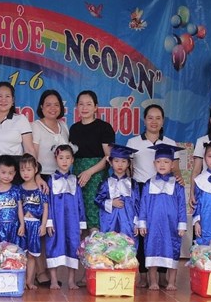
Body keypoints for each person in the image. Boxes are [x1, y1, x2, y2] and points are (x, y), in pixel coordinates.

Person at [126, 104, 179, 285]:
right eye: (150, 117)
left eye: (158, 118)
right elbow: (129, 169)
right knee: (142, 232)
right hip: (141, 189)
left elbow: (176, 169)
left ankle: (162, 273)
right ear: (144, 120)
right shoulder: (133, 142)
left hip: (164, 191)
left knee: (165, 231)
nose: (154, 121)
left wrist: (179, 180)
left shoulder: (170, 143)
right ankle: (143, 273)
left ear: (163, 121)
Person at [137, 143, 186, 291]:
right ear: (154, 164)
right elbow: (143, 204)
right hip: (152, 224)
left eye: (166, 161)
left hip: (171, 225)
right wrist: (142, 223)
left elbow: (182, 205)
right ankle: (153, 282)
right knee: (152, 250)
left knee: (172, 251)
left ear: (172, 165)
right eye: (158, 161)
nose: (162, 165)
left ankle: (171, 282)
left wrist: (182, 224)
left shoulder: (177, 185)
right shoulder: (149, 183)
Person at [69, 90, 115, 234]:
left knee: (94, 212)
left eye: (89, 104)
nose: (84, 108)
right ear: (77, 106)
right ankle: (80, 246)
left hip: (97, 175)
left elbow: (108, 157)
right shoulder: (74, 129)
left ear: (96, 107)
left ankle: (96, 245)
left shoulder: (104, 127)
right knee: (78, 211)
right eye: (81, 104)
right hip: (78, 176)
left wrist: (89, 172)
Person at [44, 145, 86, 289]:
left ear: (72, 160)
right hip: (56, 220)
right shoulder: (50, 179)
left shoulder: (75, 180)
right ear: (55, 159)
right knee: (53, 245)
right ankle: (54, 280)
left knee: (73, 246)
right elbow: (47, 202)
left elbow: (80, 202)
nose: (64, 161)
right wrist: (49, 221)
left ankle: (71, 280)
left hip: (72, 220)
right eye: (61, 158)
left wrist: (81, 223)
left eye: (68, 158)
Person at [0, 82, 36, 182]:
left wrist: (34, 177)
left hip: (15, 170)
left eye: (7, 96)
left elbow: (29, 150)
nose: (3, 100)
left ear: (13, 100)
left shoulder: (21, 119)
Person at [95, 145, 139, 239]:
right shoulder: (105, 183)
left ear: (128, 163)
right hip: (109, 222)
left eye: (123, 161)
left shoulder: (133, 183)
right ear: (111, 163)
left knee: (128, 244)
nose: (120, 164)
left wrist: (137, 223)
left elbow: (137, 204)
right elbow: (98, 200)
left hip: (128, 222)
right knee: (110, 244)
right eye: (116, 161)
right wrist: (111, 203)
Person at [18, 154, 48, 290]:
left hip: (35, 224)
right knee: (21, 253)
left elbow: (46, 207)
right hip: (22, 225)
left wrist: (43, 225)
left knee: (32, 254)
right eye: (22, 170)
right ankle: (21, 281)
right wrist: (20, 224)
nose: (25, 173)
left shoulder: (40, 188)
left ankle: (29, 281)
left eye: (29, 169)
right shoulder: (19, 189)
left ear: (36, 170)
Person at [31, 89, 70, 180]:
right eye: (48, 105)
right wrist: (36, 176)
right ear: (41, 107)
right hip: (42, 177)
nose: (53, 108)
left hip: (63, 177)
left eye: (56, 105)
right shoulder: (36, 126)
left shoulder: (63, 125)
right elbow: (32, 155)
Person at [0, 155, 24, 246]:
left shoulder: (16, 190)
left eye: (10, 173)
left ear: (14, 173)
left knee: (14, 251)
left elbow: (20, 208)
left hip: (14, 227)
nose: (6, 176)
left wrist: (22, 224)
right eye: (3, 172)